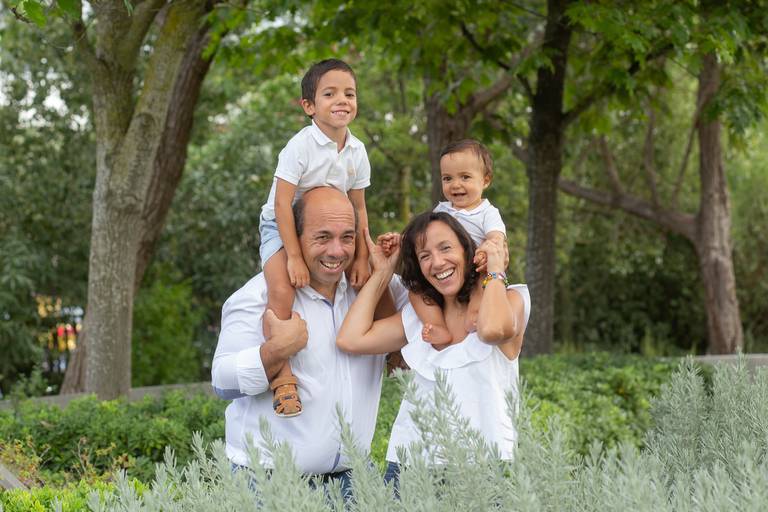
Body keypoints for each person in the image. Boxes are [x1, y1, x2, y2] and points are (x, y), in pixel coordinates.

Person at [212, 187, 406, 497]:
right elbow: (222, 381)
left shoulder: (376, 289)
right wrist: (276, 350)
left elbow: (442, 311)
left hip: (355, 481)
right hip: (269, 485)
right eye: (323, 237)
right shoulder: (258, 296)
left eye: (347, 237)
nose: (336, 251)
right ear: (294, 239)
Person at [336, 211, 530, 490]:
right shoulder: (420, 318)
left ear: (468, 250)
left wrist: (494, 269)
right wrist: (383, 273)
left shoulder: (509, 300)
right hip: (410, 466)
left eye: (446, 248)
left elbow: (491, 331)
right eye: (424, 256)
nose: (437, 262)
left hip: (485, 467)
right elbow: (351, 339)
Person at [258, 58, 372, 417]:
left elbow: (360, 208)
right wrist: (292, 255)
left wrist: (364, 255)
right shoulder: (301, 146)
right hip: (281, 225)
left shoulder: (357, 151)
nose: (342, 100)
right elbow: (280, 203)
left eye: (349, 93)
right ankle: (283, 376)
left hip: (332, 233)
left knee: (372, 279)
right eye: (330, 93)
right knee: (280, 289)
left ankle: (393, 352)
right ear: (309, 106)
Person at [415, 139, 508, 347]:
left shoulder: (487, 212)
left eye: (465, 177)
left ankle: (476, 310)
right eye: (447, 178)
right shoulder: (441, 211)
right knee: (414, 286)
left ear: (485, 180)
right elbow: (424, 236)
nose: (455, 185)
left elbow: (496, 238)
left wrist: (488, 249)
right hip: (449, 270)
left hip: (477, 266)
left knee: (483, 276)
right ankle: (436, 324)